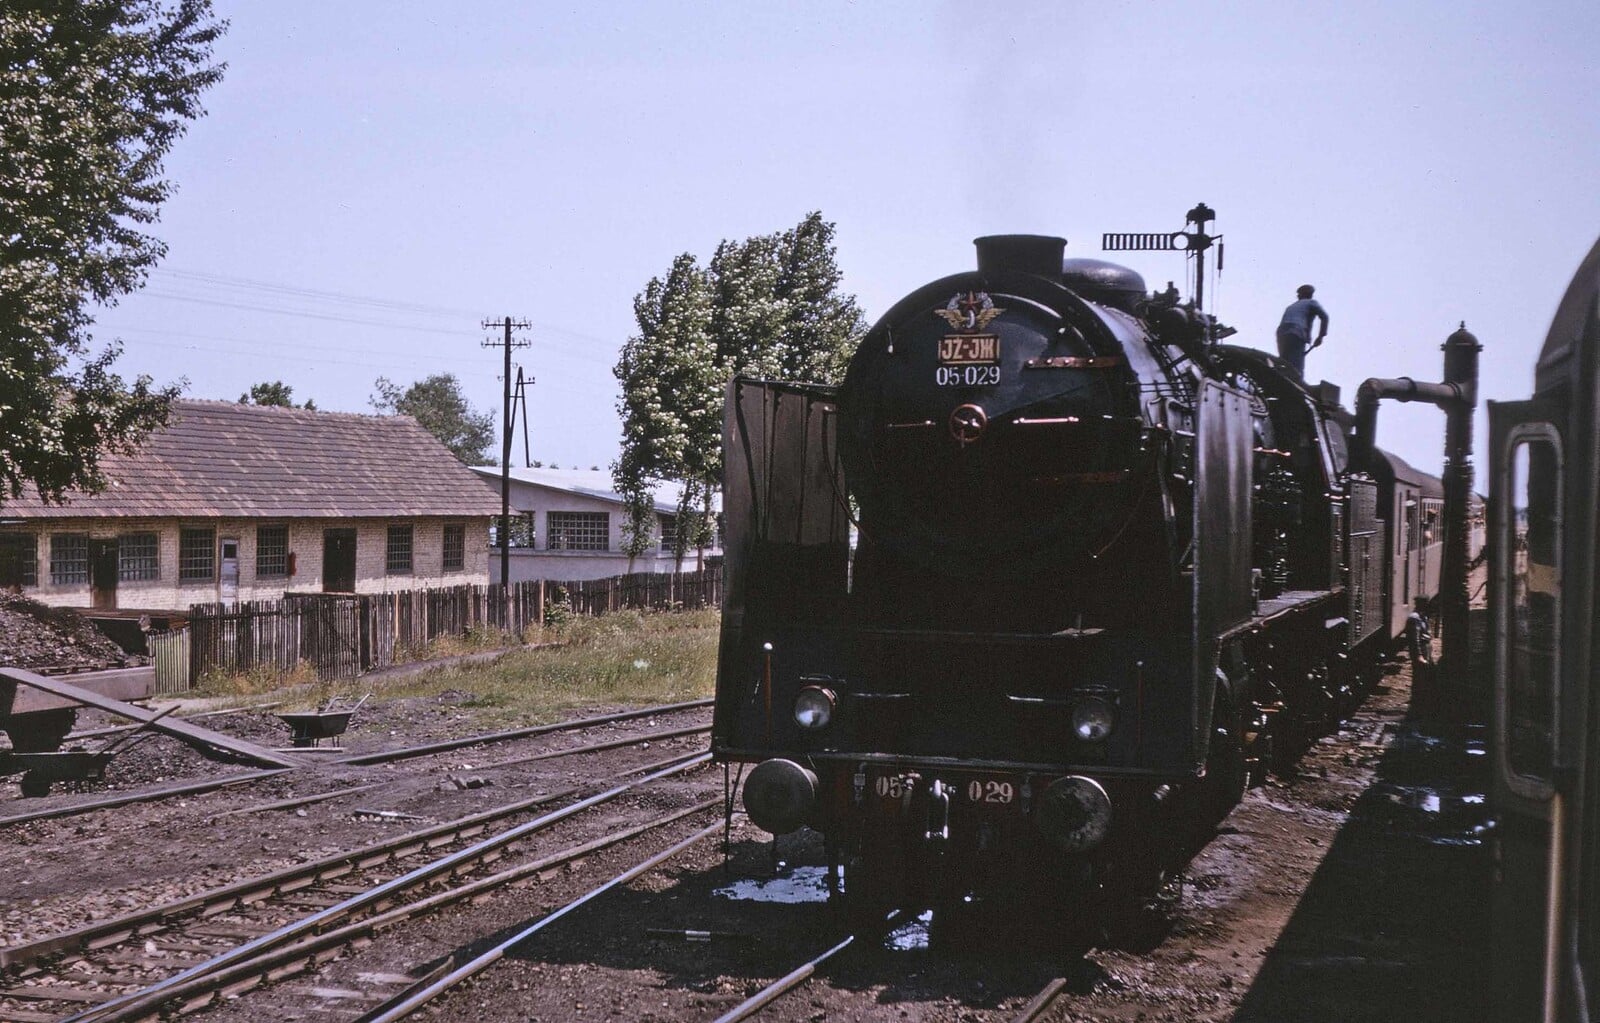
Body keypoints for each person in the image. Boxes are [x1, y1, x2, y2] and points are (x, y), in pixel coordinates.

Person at [1275, 284, 1330, 377]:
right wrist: (1321, 336)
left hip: (1282, 333)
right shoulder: (1311, 302)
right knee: (1296, 367)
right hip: (1296, 332)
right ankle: (1295, 381)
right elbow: (1324, 317)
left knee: (1284, 361)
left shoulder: (1291, 306)